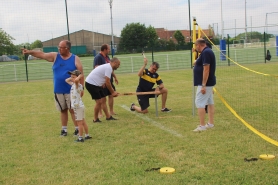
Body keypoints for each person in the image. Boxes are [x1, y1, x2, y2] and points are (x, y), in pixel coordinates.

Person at [21, 40, 83, 136]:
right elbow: (41, 54)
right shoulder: (55, 56)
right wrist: (29, 52)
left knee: (72, 110)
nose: (59, 49)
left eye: (61, 47)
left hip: (71, 90)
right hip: (58, 89)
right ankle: (64, 130)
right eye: (58, 47)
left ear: (67, 48)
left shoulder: (75, 58)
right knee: (62, 110)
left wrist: (81, 89)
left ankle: (77, 129)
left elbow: (80, 74)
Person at [85, 57, 120, 123]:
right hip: (91, 84)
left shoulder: (108, 67)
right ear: (115, 63)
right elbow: (108, 82)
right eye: (118, 64)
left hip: (96, 84)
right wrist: (112, 92)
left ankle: (108, 116)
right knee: (99, 102)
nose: (118, 66)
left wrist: (103, 82)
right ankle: (95, 119)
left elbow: (103, 77)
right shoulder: (108, 67)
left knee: (103, 100)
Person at [192, 38, 216, 132]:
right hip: (208, 83)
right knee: (210, 102)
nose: (195, 48)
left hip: (205, 83)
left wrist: (203, 85)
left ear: (199, 45)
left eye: (196, 46)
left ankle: (202, 126)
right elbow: (196, 63)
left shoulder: (206, 52)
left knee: (199, 103)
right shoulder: (205, 52)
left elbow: (206, 69)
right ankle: (210, 123)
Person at [65, 70, 92, 142]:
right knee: (83, 121)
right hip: (79, 106)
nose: (72, 78)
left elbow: (76, 80)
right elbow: (66, 80)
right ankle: (87, 135)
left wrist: (80, 75)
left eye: (74, 77)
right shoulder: (74, 84)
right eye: (71, 77)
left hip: (78, 106)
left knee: (79, 123)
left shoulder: (78, 85)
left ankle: (80, 138)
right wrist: (72, 77)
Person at [93, 44, 118, 117]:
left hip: (109, 80)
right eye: (108, 49)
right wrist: (103, 81)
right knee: (102, 98)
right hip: (102, 81)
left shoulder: (107, 57)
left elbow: (110, 68)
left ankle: (111, 111)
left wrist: (115, 77)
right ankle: (100, 113)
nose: (109, 50)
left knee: (111, 94)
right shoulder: (98, 57)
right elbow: (96, 69)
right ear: (104, 49)